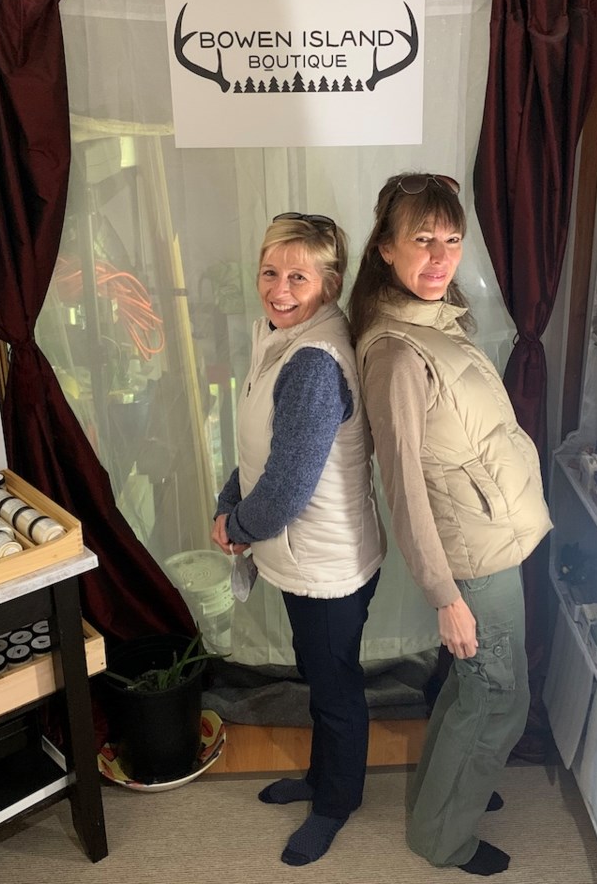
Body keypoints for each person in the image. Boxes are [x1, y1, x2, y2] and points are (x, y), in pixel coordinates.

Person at [347, 174, 552, 877]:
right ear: (385, 249)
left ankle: (443, 797)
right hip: (472, 555)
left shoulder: (436, 322)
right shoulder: (398, 353)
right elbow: (402, 486)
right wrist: (445, 597)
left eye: (452, 240)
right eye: (422, 241)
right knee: (498, 699)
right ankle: (444, 838)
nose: (440, 258)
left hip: (491, 535)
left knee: (476, 691)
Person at [211, 212, 385, 867]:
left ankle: (336, 804)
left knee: (335, 687)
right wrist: (232, 498)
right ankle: (320, 778)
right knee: (319, 674)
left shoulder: (313, 360)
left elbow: (286, 488)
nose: (279, 288)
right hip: (301, 555)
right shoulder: (280, 335)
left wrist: (238, 525)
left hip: (329, 562)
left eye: (298, 277)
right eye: (270, 272)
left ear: (330, 283)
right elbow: (264, 449)